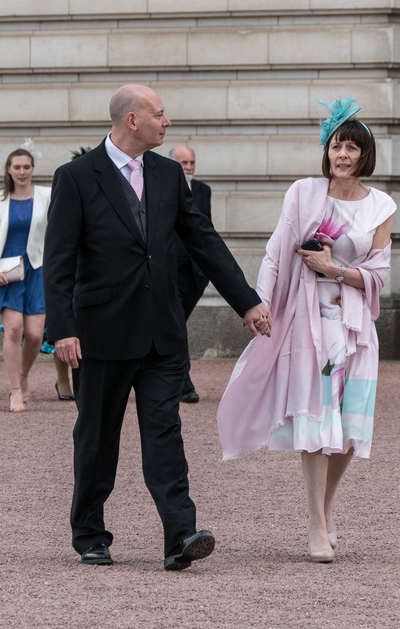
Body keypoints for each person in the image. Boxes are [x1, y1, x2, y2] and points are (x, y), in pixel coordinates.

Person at [43, 84, 272, 571]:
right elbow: (58, 260)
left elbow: (203, 240)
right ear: (132, 120)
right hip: (100, 334)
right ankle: (90, 533)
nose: (167, 123)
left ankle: (180, 535)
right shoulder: (76, 177)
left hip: (162, 334)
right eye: (160, 115)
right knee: (97, 438)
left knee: (165, 434)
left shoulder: (169, 174)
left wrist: (247, 301)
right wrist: (62, 329)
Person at [216, 98, 395, 563]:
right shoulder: (303, 193)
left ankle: (327, 507)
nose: (343, 155)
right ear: (326, 150)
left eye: (352, 148)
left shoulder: (382, 206)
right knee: (316, 422)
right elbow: (276, 252)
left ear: (365, 155)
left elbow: (379, 274)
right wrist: (258, 304)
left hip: (356, 328)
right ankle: (315, 523)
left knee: (351, 428)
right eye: (336, 146)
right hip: (309, 324)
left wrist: (335, 270)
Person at [0, 148, 50, 412]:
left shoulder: (46, 195)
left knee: (34, 334)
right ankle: (15, 390)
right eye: (17, 167)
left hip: (38, 267)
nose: (22, 172)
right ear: (9, 170)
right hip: (7, 269)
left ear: (32, 169)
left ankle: (22, 374)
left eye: (26, 167)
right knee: (13, 329)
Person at [168, 144, 212, 403]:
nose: (189, 167)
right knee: (176, 324)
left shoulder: (203, 190)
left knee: (176, 324)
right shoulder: (163, 187)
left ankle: (173, 379)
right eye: (184, 162)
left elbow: (206, 230)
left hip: (195, 273)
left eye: (191, 162)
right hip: (170, 270)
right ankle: (184, 384)